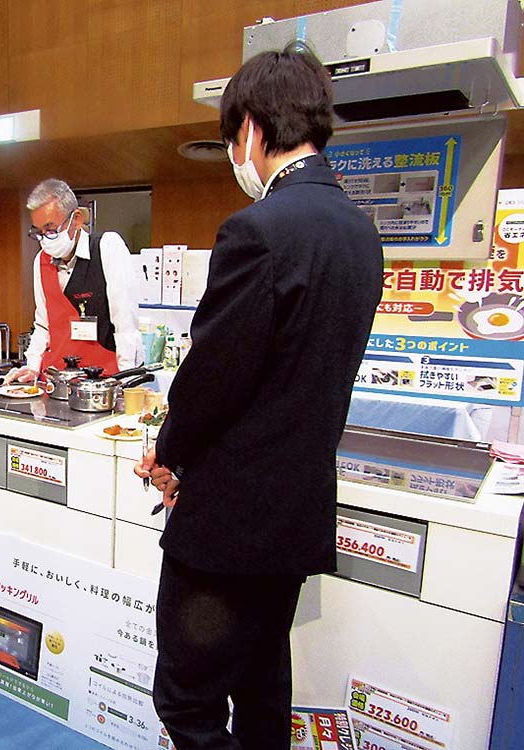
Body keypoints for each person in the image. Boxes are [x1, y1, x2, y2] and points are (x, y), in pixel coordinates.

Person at [134, 49, 383, 749]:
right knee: (264, 686)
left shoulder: (260, 230)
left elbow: (216, 375)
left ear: (248, 127)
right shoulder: (361, 233)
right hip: (296, 510)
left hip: (228, 525)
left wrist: (170, 452)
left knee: (189, 702)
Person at [6, 178, 140, 383]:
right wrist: (31, 366)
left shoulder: (107, 247)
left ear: (76, 219)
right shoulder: (40, 262)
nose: (44, 239)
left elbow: (125, 324)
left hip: (104, 380)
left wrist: (127, 379)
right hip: (56, 379)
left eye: (51, 230)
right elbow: (43, 324)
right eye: (38, 232)